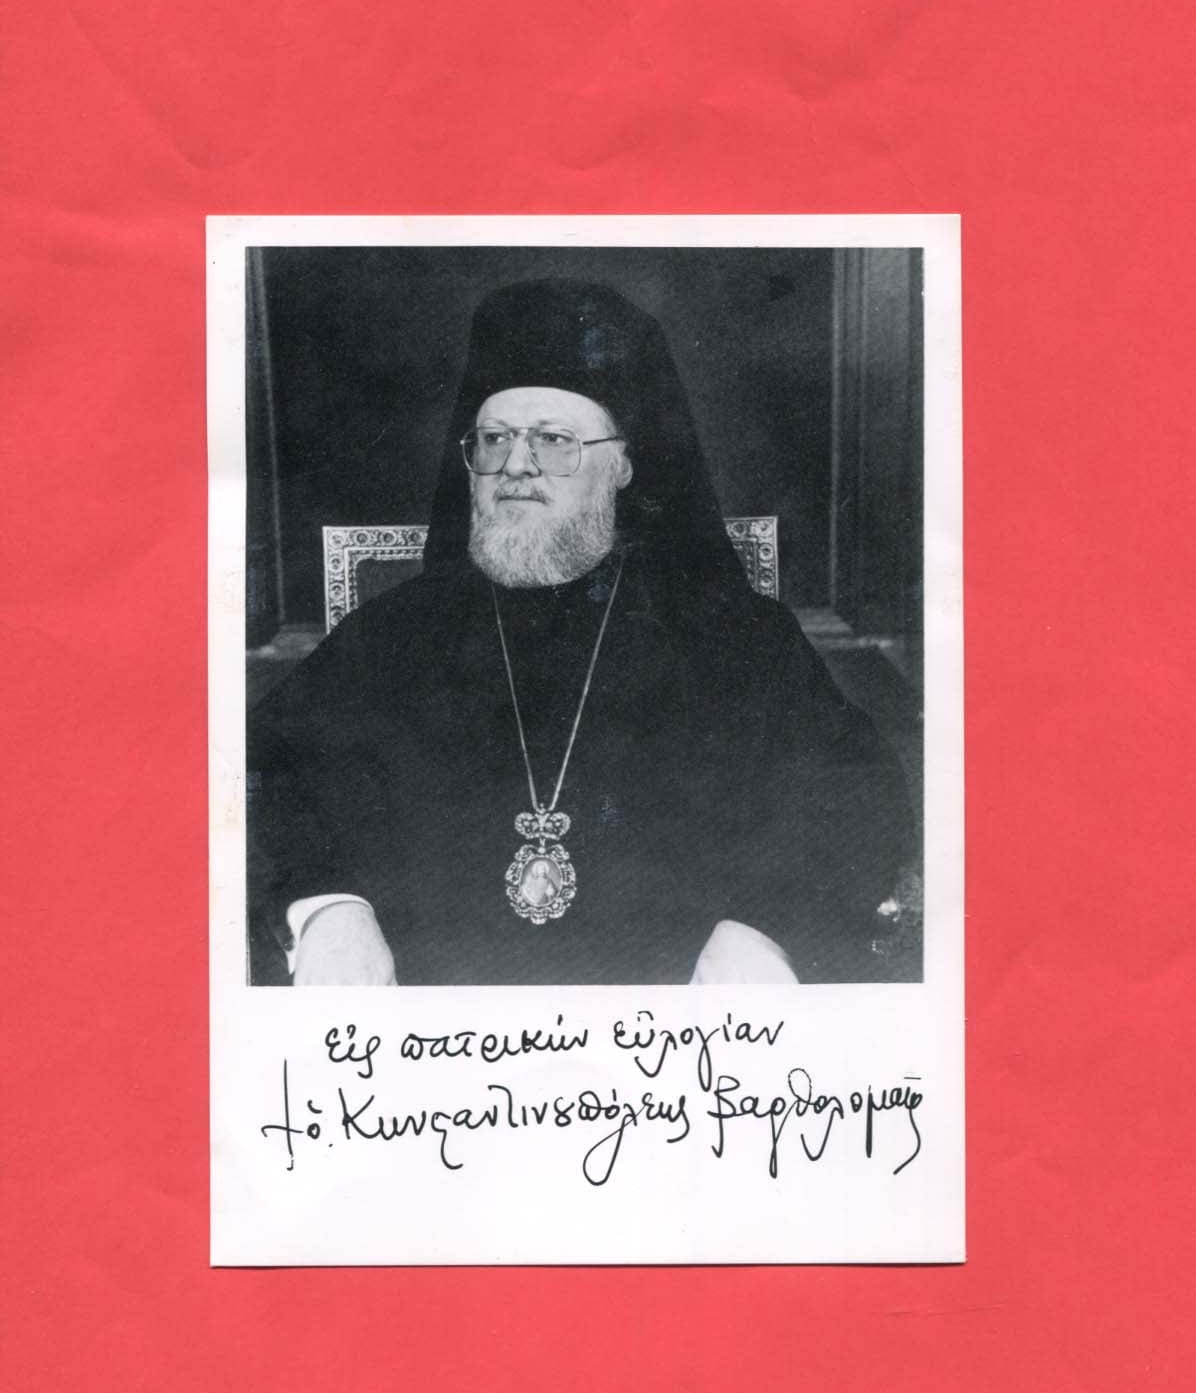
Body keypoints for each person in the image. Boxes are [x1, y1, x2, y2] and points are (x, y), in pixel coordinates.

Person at [247, 279, 915, 985]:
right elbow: (273, 772)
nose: (516, 464)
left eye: (554, 440)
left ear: (622, 465)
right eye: (494, 439)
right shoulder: (393, 636)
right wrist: (327, 906)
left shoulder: (733, 633)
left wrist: (764, 930)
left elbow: (852, 790)